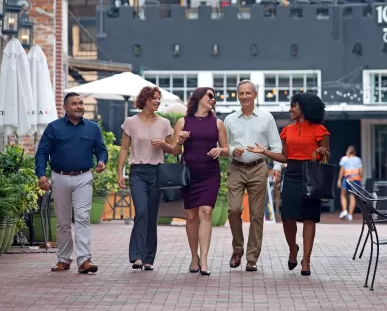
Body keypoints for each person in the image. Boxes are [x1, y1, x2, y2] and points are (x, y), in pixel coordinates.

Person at [246, 92, 330, 276]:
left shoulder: (320, 130)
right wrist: (265, 152)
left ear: (304, 108)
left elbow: (326, 157)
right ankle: (293, 248)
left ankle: (306, 260)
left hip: (312, 174)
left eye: (294, 105)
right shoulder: (287, 131)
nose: (290, 109)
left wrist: (323, 152)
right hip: (291, 173)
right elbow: (285, 156)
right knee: (288, 216)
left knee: (309, 218)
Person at [35, 92, 108, 274]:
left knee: (83, 217)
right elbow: (42, 153)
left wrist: (101, 161)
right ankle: (64, 259)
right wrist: (41, 174)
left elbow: (102, 149)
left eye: (81, 103)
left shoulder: (92, 128)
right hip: (59, 177)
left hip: (84, 176)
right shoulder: (54, 128)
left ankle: (84, 260)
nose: (79, 106)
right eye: (74, 104)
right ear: (65, 107)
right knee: (62, 221)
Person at [223, 80, 282, 272]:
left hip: (258, 168)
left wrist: (278, 167)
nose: (244, 96)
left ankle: (251, 258)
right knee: (233, 210)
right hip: (236, 168)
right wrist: (233, 151)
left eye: (248, 93)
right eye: (241, 93)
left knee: (257, 215)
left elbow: (277, 146)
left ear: (255, 95)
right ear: (237, 95)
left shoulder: (266, 118)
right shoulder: (230, 119)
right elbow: (225, 147)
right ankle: (237, 250)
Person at [170, 87, 229, 276]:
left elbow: (227, 148)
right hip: (189, 174)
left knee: (206, 212)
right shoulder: (183, 121)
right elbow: (174, 151)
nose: (213, 99)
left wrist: (220, 150)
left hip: (210, 173)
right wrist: (180, 141)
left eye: (214, 97)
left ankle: (203, 259)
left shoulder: (218, 123)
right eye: (209, 96)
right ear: (199, 98)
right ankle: (194, 257)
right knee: (191, 217)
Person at [116, 86, 173, 271]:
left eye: (159, 98)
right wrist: (119, 172)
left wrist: (164, 144)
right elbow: (124, 148)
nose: (157, 101)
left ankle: (149, 258)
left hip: (157, 172)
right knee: (141, 211)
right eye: (154, 98)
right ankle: (138, 255)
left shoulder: (164, 123)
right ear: (144, 100)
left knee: (151, 214)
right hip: (138, 172)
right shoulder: (131, 122)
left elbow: (174, 149)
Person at [337, 145, 363, 221]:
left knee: (343, 195)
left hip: (347, 179)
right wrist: (361, 178)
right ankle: (350, 215)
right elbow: (361, 171)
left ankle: (344, 210)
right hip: (356, 179)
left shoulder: (344, 159)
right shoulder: (358, 159)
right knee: (352, 197)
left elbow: (342, 170)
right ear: (354, 152)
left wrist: (339, 180)